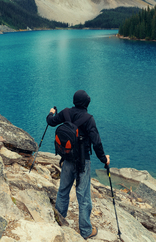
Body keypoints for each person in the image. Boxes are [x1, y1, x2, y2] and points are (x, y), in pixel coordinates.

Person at [47, 89, 110, 240]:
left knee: (63, 190)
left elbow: (50, 122)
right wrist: (104, 159)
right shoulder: (89, 119)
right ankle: (86, 230)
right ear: (86, 103)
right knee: (83, 197)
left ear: (75, 100)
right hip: (83, 162)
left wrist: (51, 112)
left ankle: (59, 220)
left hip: (67, 158)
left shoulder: (65, 112)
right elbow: (97, 143)